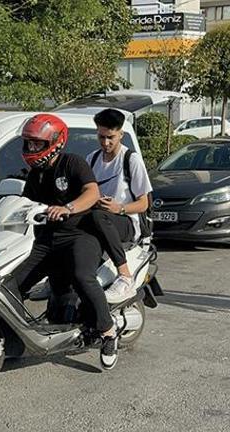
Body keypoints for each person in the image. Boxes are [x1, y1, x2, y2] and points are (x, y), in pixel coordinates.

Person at [8, 113, 120, 370]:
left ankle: (108, 331)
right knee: (12, 284)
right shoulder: (35, 174)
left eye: (37, 143)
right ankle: (15, 334)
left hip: (79, 235)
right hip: (46, 240)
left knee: (82, 277)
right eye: (29, 143)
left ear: (56, 142)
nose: (32, 148)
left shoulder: (73, 163)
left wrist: (68, 207)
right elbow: (25, 203)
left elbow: (92, 192)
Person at [84, 109, 153, 305]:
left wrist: (119, 208)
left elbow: (144, 203)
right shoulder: (92, 159)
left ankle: (125, 277)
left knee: (99, 217)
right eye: (101, 137)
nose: (105, 143)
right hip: (98, 219)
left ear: (121, 134)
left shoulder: (131, 160)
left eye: (110, 137)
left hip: (126, 222)